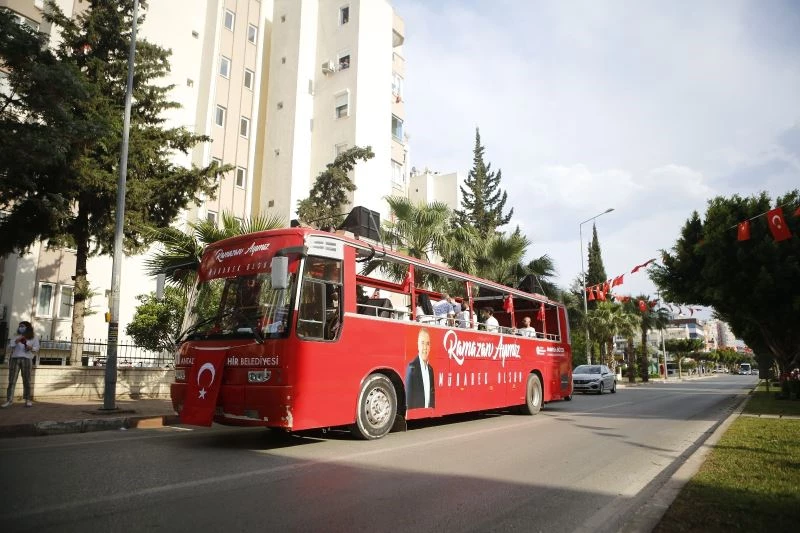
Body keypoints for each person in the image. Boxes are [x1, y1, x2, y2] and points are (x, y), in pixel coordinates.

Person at [2, 320, 39, 408]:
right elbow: (9, 347)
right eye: (19, 326)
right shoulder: (15, 336)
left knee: (27, 380)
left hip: (27, 359)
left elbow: (36, 348)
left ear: (27, 327)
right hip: (15, 359)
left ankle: (27, 400)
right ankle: (9, 400)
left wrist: (31, 347)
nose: (20, 328)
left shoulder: (33, 337)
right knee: (12, 380)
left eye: (22, 326)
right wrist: (16, 341)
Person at [405, 328, 435, 409]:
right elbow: (409, 399)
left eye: (427, 344)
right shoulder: (412, 368)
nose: (425, 347)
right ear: (418, 345)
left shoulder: (430, 370)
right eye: (422, 343)